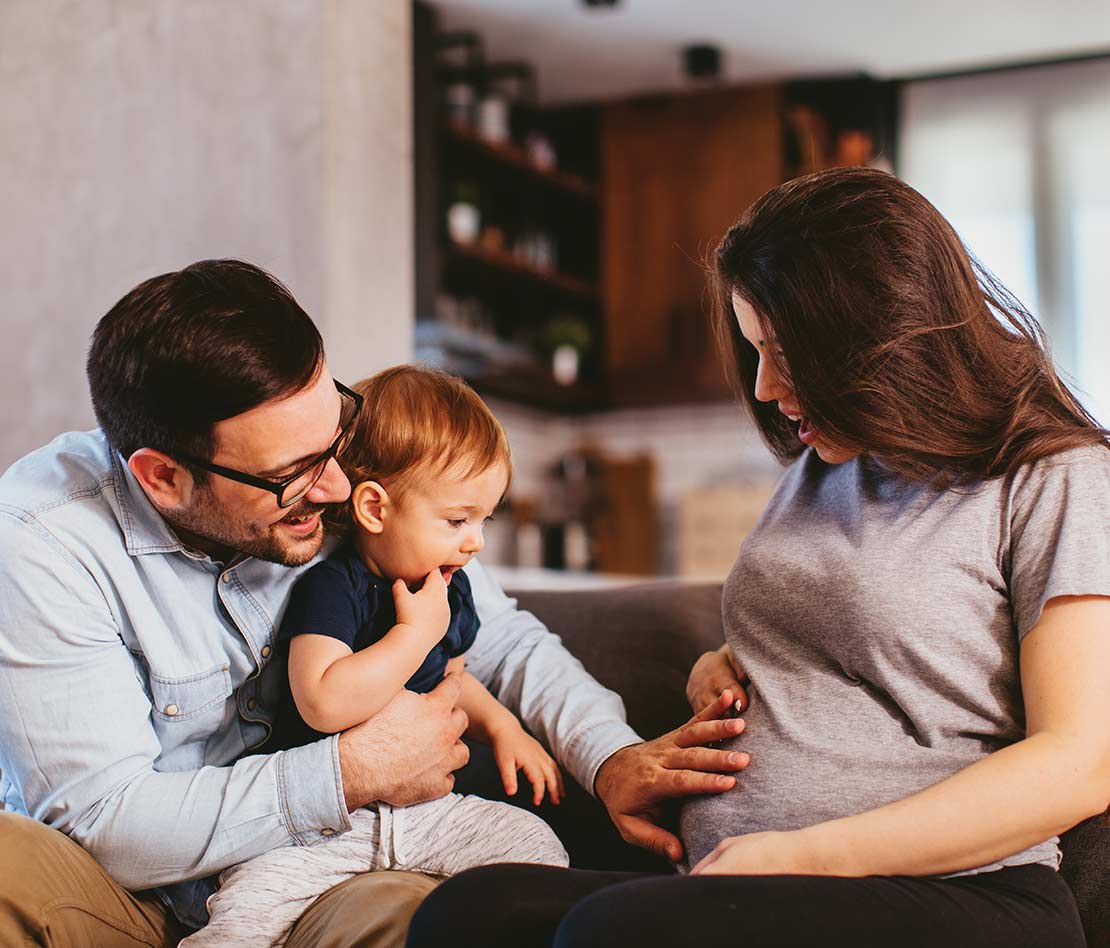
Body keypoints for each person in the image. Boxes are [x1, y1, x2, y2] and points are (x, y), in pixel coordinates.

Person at [404, 167, 1109, 948]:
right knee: (466, 914)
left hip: (965, 897)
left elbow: (1080, 760)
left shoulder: (1056, 475)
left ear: (880, 336)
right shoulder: (829, 465)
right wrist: (724, 664)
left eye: (785, 352)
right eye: (757, 352)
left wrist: (806, 857)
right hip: (739, 885)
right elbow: (877, 642)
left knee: (614, 933)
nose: (768, 387)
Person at [0, 260, 748, 947]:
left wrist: (608, 757)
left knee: (426, 912)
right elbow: (107, 821)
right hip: (127, 891)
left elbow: (505, 645)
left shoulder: (340, 473)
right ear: (163, 477)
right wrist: (348, 771)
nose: (334, 490)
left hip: (323, 865)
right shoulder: (44, 541)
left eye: (337, 436)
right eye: (293, 475)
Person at [183, 365, 570, 947]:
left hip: (427, 815)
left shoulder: (448, 589)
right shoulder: (332, 588)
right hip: (317, 830)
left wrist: (505, 727)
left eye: (485, 520)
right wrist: (412, 635)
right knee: (242, 919)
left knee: (539, 851)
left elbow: (451, 681)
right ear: (374, 509)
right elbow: (321, 700)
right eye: (458, 520)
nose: (477, 542)